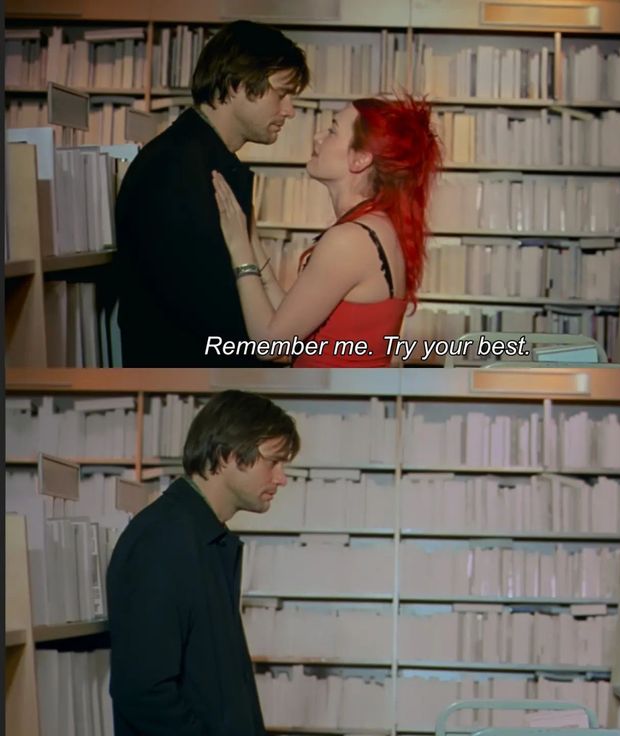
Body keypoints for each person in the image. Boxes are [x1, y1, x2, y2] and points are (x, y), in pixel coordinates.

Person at [114, 20, 309, 367]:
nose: (290, 110)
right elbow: (208, 312)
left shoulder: (199, 158)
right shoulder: (178, 168)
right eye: (281, 94)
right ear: (236, 85)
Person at [107, 389, 300, 736]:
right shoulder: (160, 540)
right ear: (227, 455)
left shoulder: (203, 538)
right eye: (273, 462)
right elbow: (144, 694)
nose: (282, 478)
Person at [211, 95, 442, 367]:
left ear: (360, 159)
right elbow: (290, 326)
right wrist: (251, 239)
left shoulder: (350, 240)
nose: (318, 137)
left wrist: (239, 249)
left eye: (332, 130)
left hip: (321, 406)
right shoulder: (376, 228)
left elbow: (271, 346)